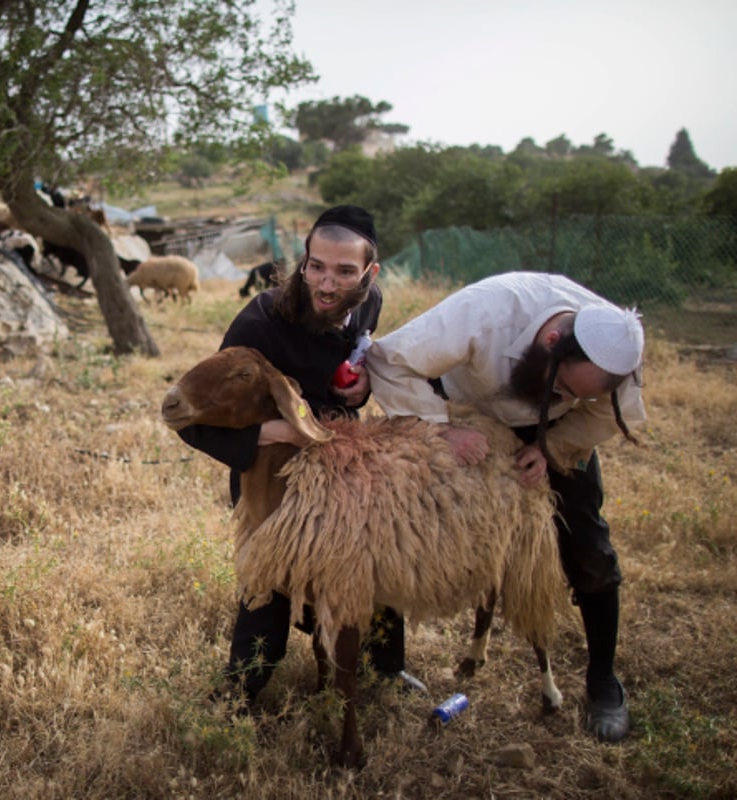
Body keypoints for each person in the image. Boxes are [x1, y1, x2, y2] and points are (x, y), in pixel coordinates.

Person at [365, 271, 645, 743]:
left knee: (589, 545)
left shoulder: (615, 351)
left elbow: (603, 413)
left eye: (582, 394)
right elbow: (389, 360)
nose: (572, 398)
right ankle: (386, 667)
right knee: (395, 524)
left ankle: (603, 684)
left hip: (546, 432)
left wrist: (552, 444)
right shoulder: (485, 313)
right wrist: (439, 428)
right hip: (456, 416)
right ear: (552, 341)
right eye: (565, 386)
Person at [176, 205, 425, 711]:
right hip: (270, 468)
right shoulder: (261, 321)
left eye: (344, 271)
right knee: (269, 582)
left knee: (369, 566)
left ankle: (386, 666)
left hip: (342, 463)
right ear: (303, 260)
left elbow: (356, 358)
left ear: (369, 274)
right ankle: (242, 687)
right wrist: (270, 431)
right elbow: (189, 419)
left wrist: (358, 389)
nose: (326, 284)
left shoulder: (369, 303)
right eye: (316, 266)